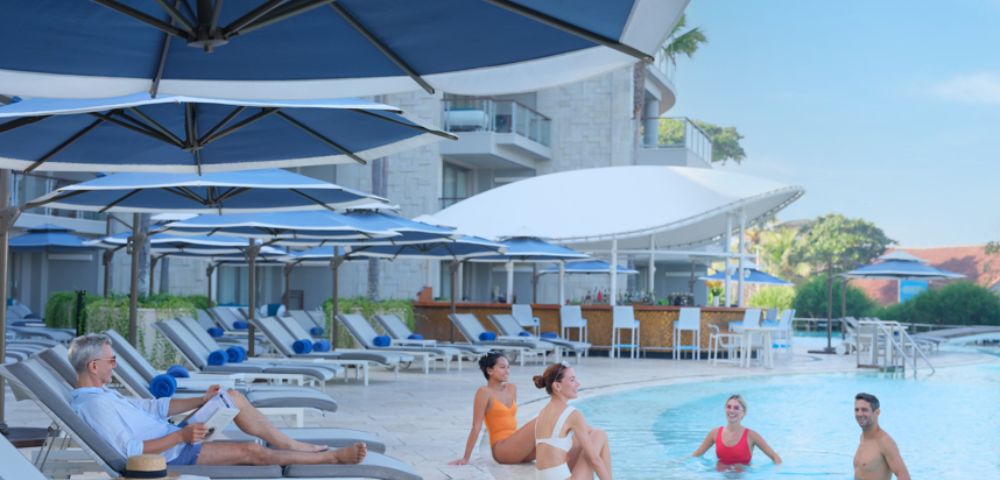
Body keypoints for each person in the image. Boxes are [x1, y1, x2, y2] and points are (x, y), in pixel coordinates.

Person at [68, 333, 366, 466]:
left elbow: (155, 406)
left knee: (230, 397)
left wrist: (202, 399)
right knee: (252, 452)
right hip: (170, 454)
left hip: (177, 436)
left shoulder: (102, 394)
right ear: (94, 366)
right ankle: (331, 457)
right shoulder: (94, 406)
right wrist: (182, 436)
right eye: (112, 360)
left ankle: (287, 443)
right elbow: (130, 452)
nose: (115, 365)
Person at [449, 351, 536, 465]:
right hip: (501, 449)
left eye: (508, 367)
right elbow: (476, 427)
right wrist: (466, 458)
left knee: (553, 441)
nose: (507, 371)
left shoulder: (511, 388)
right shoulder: (484, 392)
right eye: (502, 367)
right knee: (541, 420)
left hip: (516, 447)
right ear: (489, 370)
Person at [532, 362, 611, 480]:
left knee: (585, 439)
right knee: (600, 434)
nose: (578, 384)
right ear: (557, 386)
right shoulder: (572, 414)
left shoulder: (543, 412)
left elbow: (587, 430)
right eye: (572, 380)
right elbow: (595, 460)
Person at [692, 394, 781, 467]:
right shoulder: (714, 433)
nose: (731, 410)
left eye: (736, 408)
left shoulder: (752, 436)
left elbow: (776, 458)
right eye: (729, 407)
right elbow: (696, 455)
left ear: (743, 413)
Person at [853, 393, 910, 480]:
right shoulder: (863, 438)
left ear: (877, 412)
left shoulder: (884, 442)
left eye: (864, 410)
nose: (859, 414)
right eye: (857, 410)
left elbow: (904, 476)